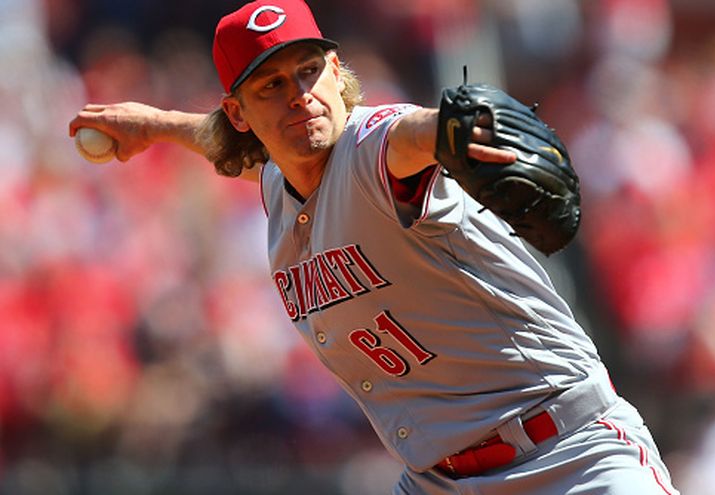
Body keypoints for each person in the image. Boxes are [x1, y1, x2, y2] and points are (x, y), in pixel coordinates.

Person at [69, 1, 679, 493]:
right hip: (437, 481)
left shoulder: (373, 150)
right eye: (272, 85)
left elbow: (411, 134)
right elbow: (234, 149)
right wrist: (155, 125)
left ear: (337, 72)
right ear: (239, 112)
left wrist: (453, 131)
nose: (300, 94)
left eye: (309, 70)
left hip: (568, 457)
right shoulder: (279, 177)